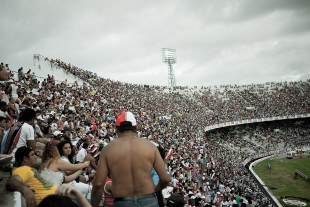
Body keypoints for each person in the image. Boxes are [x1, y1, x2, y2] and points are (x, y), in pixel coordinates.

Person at [91, 111, 170, 207]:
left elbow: (98, 184)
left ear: (116, 129)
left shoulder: (108, 150)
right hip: (148, 199)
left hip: (123, 202)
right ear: (136, 128)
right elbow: (165, 179)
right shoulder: (150, 147)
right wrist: (156, 189)